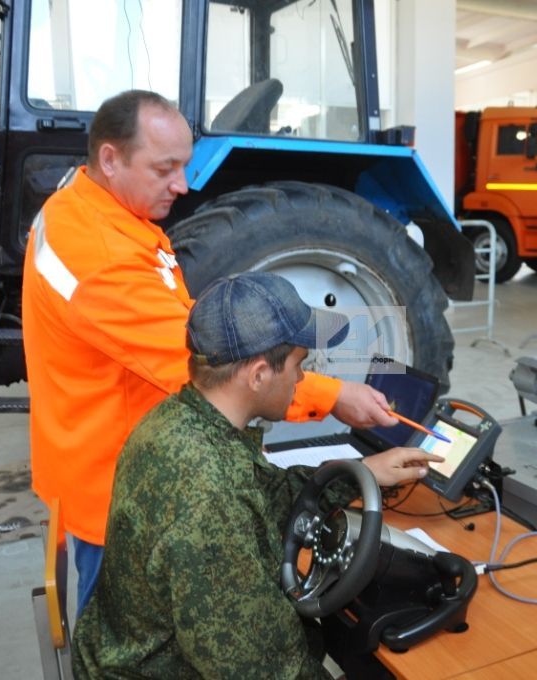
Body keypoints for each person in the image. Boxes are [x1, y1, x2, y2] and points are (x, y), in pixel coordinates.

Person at [21, 90, 398, 614]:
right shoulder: (100, 257)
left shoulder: (91, 208)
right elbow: (205, 368)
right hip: (116, 489)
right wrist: (331, 393)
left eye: (184, 165)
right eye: (165, 168)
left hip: (98, 454)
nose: (183, 184)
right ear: (110, 159)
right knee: (118, 643)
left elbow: (175, 320)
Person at [72, 272, 441, 679]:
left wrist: (362, 474)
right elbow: (259, 669)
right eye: (300, 365)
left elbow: (265, 495)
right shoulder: (206, 497)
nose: (302, 379)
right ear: (259, 374)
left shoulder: (180, 421)